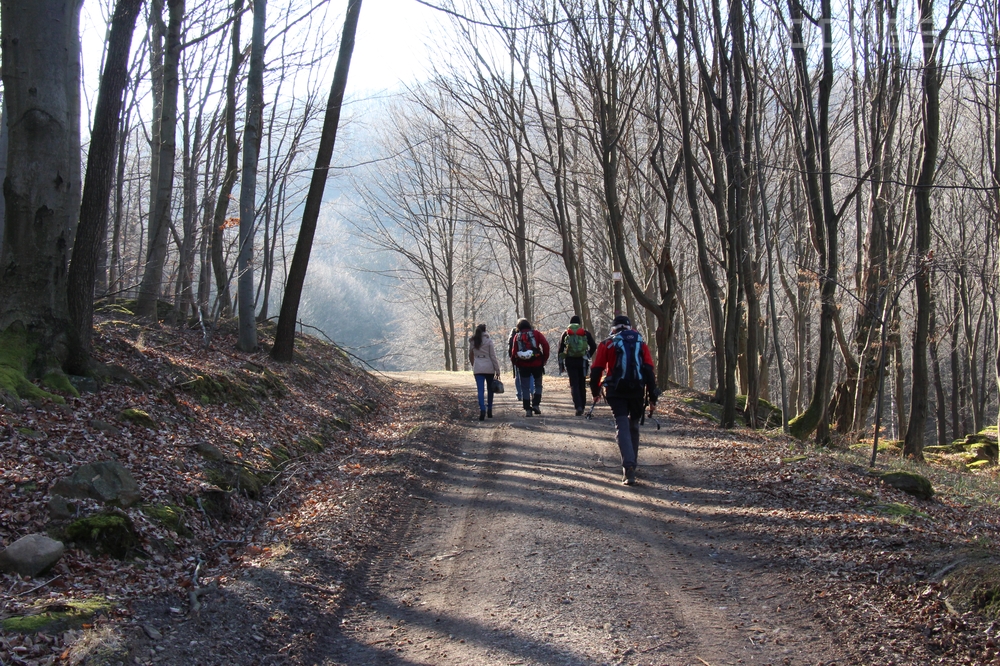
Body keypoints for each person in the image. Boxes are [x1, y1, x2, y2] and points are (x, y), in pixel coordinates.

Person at [589, 315, 659, 486]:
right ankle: (631, 464)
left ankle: (628, 468)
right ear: (629, 327)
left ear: (613, 329)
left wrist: (595, 391)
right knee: (633, 425)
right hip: (637, 389)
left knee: (622, 424)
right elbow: (649, 370)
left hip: (615, 390)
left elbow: (597, 369)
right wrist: (652, 397)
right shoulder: (640, 342)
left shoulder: (608, 343)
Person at [509, 318, 550, 417]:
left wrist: (515, 362)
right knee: (538, 385)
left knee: (525, 387)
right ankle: (536, 404)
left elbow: (513, 352)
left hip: (523, 365)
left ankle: (527, 409)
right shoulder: (536, 333)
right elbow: (545, 345)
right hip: (537, 363)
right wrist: (544, 358)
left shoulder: (517, 336)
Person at [558, 315, 597, 416]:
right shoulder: (584, 333)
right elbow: (593, 345)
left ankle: (578, 406)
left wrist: (561, 365)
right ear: (579, 323)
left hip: (570, 361)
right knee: (581, 383)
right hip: (582, 361)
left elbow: (560, 350)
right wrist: (588, 354)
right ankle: (582, 406)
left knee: (574, 384)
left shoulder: (566, 333)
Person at [469, 324, 501, 421]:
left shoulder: (473, 341)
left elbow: (470, 354)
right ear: (485, 331)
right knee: (490, 389)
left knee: (480, 390)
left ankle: (482, 409)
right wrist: (497, 370)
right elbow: (493, 356)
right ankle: (490, 409)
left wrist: (474, 364)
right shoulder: (489, 341)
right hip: (489, 368)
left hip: (478, 368)